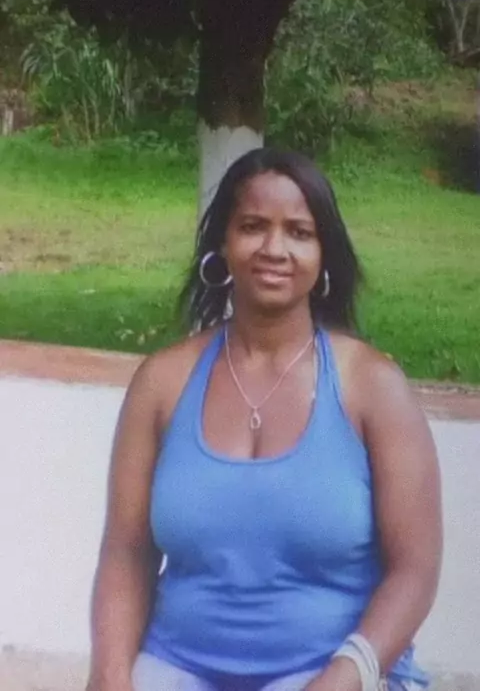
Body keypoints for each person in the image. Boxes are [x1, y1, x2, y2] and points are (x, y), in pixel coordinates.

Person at [86, 148, 442, 691]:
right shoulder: (162, 383)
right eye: (253, 226)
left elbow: (414, 571)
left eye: (299, 232)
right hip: (179, 667)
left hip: (333, 672)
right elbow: (126, 552)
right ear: (222, 245)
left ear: (323, 254)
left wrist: (344, 677)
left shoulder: (372, 387)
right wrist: (111, 677)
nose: (275, 249)